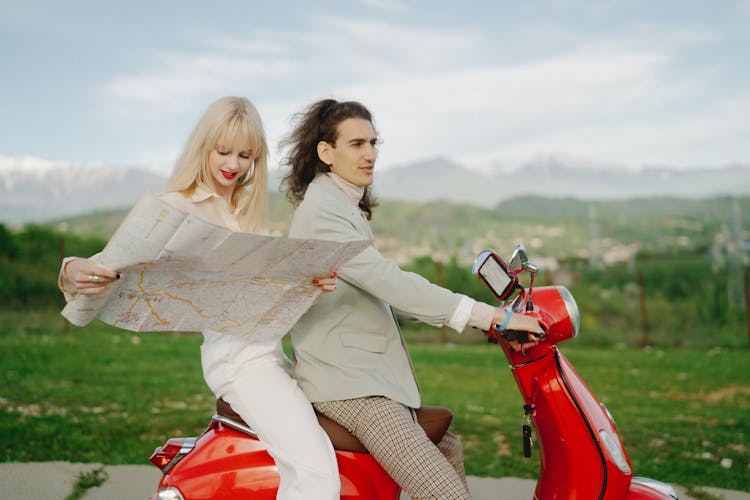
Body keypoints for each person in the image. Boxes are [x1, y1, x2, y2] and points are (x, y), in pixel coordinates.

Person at [58, 96, 340, 500]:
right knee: (318, 477)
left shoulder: (248, 212)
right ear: (202, 147)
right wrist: (70, 269)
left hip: (272, 357)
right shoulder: (175, 207)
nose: (234, 163)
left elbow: (256, 292)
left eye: (245, 154)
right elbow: (104, 263)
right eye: (223, 150)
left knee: (304, 471)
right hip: (239, 365)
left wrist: (307, 283)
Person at [281, 98, 544, 499]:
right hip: (352, 388)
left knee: (447, 446)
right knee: (444, 493)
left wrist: (478, 319)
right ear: (326, 152)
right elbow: (391, 283)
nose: (370, 154)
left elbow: (389, 296)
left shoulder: (341, 204)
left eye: (373, 142)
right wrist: (495, 318)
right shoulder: (325, 211)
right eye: (356, 144)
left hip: (365, 379)